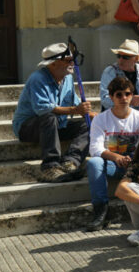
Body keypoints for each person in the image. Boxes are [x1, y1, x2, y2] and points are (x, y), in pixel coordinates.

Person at [13, 43, 93, 182]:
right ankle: (50, 166)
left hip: (56, 126)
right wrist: (75, 110)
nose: (72, 63)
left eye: (72, 60)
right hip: (29, 128)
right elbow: (43, 109)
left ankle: (71, 162)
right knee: (49, 117)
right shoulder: (37, 79)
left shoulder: (67, 78)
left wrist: (94, 116)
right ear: (54, 63)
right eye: (68, 60)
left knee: (87, 125)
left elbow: (75, 103)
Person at [84, 76, 139, 231]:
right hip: (112, 165)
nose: (124, 98)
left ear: (132, 96)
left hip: (137, 164)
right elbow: (95, 148)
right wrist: (116, 157)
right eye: (119, 94)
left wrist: (133, 158)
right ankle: (100, 211)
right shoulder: (100, 119)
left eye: (127, 94)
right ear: (111, 97)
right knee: (94, 163)